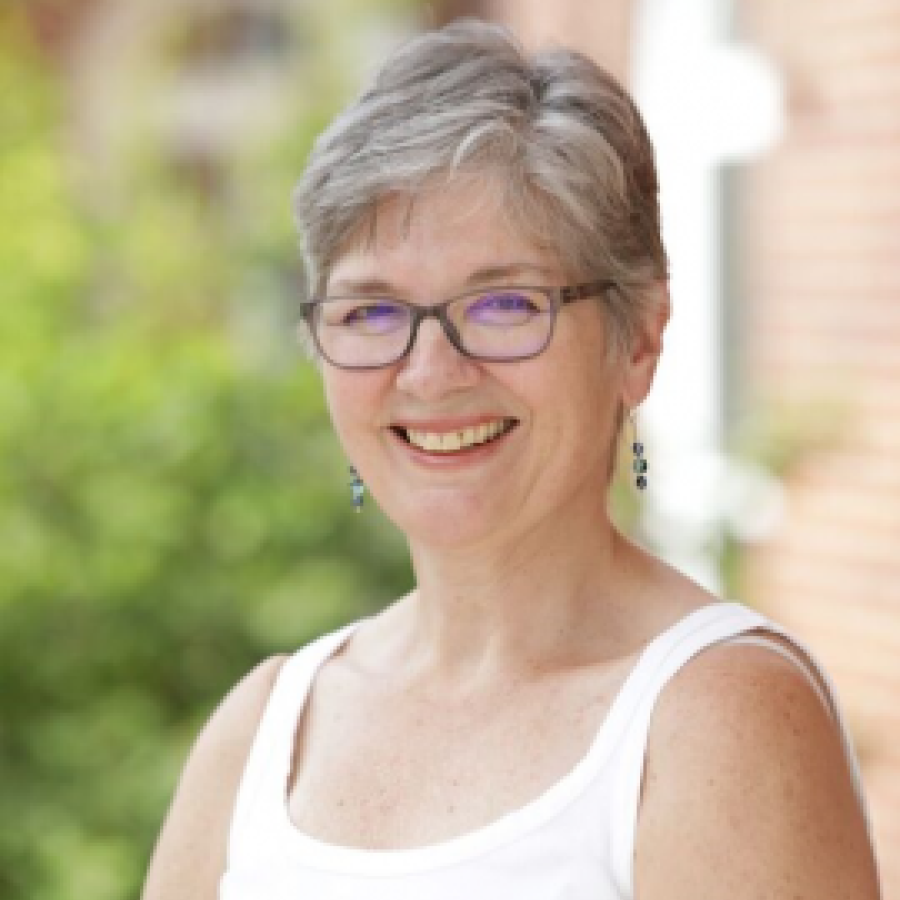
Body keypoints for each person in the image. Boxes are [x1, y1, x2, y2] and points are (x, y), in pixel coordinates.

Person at [142, 20, 881, 900]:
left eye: (503, 303)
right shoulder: (265, 731)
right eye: (371, 313)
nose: (430, 372)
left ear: (639, 337)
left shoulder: (715, 720)